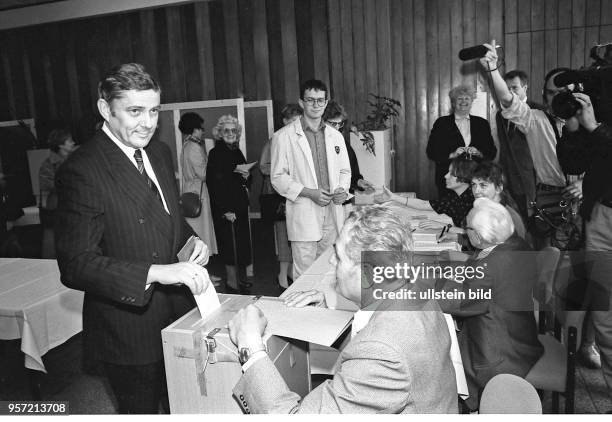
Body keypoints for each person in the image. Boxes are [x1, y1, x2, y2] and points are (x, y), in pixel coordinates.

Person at [55, 63, 211, 414]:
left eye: (154, 110)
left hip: (178, 314)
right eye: (135, 111)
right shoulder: (82, 168)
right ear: (105, 109)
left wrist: (193, 241)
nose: (148, 123)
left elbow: (170, 221)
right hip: (128, 329)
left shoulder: (159, 151)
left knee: (184, 405)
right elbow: (76, 263)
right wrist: (155, 272)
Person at [227, 204, 458, 413]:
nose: (331, 263)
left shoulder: (383, 353)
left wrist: (250, 347)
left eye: (337, 256)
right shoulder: (415, 288)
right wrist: (330, 307)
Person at [434, 198, 543, 411]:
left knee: (438, 359)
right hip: (521, 337)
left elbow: (454, 302)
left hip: (496, 355)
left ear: (478, 235)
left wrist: (433, 278)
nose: (465, 233)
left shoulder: (491, 266)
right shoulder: (515, 244)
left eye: (467, 229)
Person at [479, 39, 577, 247]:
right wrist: (493, 69)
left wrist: (586, 183)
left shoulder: (592, 121)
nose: (558, 98)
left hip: (588, 201)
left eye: (564, 93)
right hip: (549, 199)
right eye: (552, 93)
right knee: (546, 257)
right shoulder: (536, 119)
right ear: (544, 94)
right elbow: (507, 100)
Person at [556, 92, 612, 404]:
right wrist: (574, 126)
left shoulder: (601, 126)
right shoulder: (595, 121)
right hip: (602, 217)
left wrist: (596, 128)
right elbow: (572, 162)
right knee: (604, 315)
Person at [271, 79, 351, 279]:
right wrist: (310, 193)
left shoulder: (335, 136)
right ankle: (305, 310)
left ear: (326, 102)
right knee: (305, 272)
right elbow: (278, 177)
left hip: (332, 211)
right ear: (301, 102)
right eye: (310, 100)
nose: (316, 105)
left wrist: (342, 190)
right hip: (304, 208)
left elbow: (344, 171)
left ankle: (326, 310)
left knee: (330, 268)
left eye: (320, 101)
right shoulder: (284, 137)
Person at [207, 115, 252, 292]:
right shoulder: (215, 153)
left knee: (239, 246)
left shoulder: (236, 151)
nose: (230, 133)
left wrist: (247, 176)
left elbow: (243, 177)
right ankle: (232, 284)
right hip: (225, 208)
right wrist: (225, 210)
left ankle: (239, 280)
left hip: (239, 205)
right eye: (226, 130)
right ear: (219, 133)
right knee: (229, 247)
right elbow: (214, 184)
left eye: (234, 130)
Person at [377, 153, 479, 231]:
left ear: (464, 176)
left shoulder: (475, 201)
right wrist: (393, 197)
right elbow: (423, 204)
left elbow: (476, 236)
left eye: (451, 174)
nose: (445, 176)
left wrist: (444, 226)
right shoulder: (454, 198)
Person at [259, 104, 302, 290]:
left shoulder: (300, 140)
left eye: (298, 121)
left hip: (296, 195)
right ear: (284, 122)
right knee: (284, 237)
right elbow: (263, 167)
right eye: (292, 121)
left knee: (296, 237)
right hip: (279, 196)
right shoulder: (275, 140)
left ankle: (291, 272)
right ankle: (282, 275)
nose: (296, 125)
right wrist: (285, 173)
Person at [426, 85, 497, 197]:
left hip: (476, 179)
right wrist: (452, 154)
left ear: (471, 101)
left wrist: (479, 153)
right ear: (453, 102)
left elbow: (492, 152)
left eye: (467, 98)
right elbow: (431, 151)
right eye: (460, 98)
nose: (463, 101)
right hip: (450, 180)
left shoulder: (482, 124)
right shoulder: (441, 123)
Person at [178, 112, 221, 285]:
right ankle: (202, 277)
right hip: (198, 192)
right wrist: (214, 163)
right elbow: (203, 174)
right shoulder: (194, 147)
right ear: (194, 129)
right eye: (201, 128)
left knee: (199, 236)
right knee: (200, 236)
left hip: (193, 190)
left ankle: (203, 274)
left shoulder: (187, 145)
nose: (202, 132)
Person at [322, 100, 375, 197]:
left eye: (340, 123)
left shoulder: (343, 143)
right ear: (322, 121)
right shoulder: (316, 143)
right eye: (333, 124)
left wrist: (358, 181)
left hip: (341, 198)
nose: (337, 128)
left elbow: (350, 171)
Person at [39, 127, 76, 258]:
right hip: (55, 210)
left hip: (71, 208)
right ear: (61, 145)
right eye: (69, 140)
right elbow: (47, 185)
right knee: (54, 250)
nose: (73, 142)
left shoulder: (76, 160)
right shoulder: (48, 165)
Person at [471, 161, 527, 240]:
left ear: (498, 188)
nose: (476, 191)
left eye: (483, 185)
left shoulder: (507, 219)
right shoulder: (486, 210)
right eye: (473, 185)